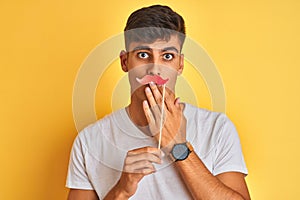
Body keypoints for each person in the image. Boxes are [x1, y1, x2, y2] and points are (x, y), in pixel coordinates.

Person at [66, 5, 251, 200]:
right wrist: (121, 190)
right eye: (143, 55)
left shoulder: (217, 128)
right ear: (124, 61)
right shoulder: (89, 142)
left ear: (180, 64)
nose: (155, 69)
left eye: (167, 56)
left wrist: (179, 147)